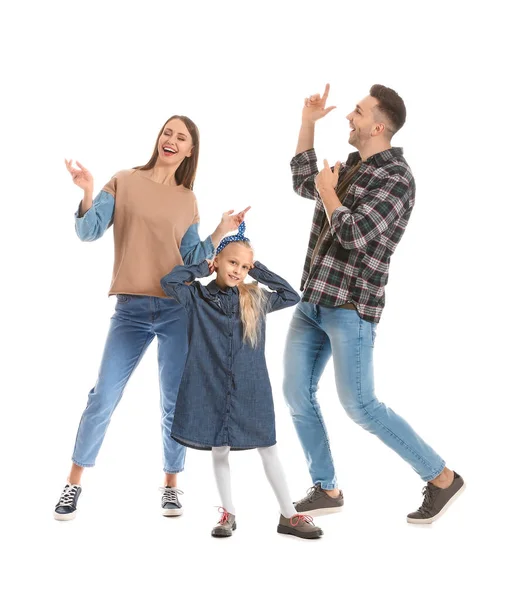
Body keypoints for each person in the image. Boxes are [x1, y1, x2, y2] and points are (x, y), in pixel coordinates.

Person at [284, 84, 465, 524]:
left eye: (359, 112)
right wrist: (308, 123)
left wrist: (330, 193)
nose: (350, 116)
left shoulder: (396, 179)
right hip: (313, 301)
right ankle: (326, 487)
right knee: (295, 393)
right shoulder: (350, 167)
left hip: (351, 308)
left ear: (379, 126)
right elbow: (302, 181)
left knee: (360, 405)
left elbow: (354, 234)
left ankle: (441, 477)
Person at [54, 115, 249, 521]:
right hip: (131, 310)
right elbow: (89, 231)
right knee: (103, 396)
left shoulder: (186, 200)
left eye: (181, 137)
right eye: (167, 133)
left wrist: (219, 231)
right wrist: (88, 191)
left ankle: (171, 485)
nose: (171, 140)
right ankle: (73, 483)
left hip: (177, 310)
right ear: (158, 139)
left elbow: (193, 261)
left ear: (190, 150)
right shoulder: (124, 180)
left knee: (173, 401)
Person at [160, 223, 323, 539]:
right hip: (209, 386)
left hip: (251, 389)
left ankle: (289, 516)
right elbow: (169, 281)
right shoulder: (196, 296)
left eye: (245, 266)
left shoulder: (255, 298)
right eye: (233, 262)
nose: (239, 270)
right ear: (217, 261)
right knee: (219, 450)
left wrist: (257, 269)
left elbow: (291, 294)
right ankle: (228, 513)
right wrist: (199, 266)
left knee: (269, 449)